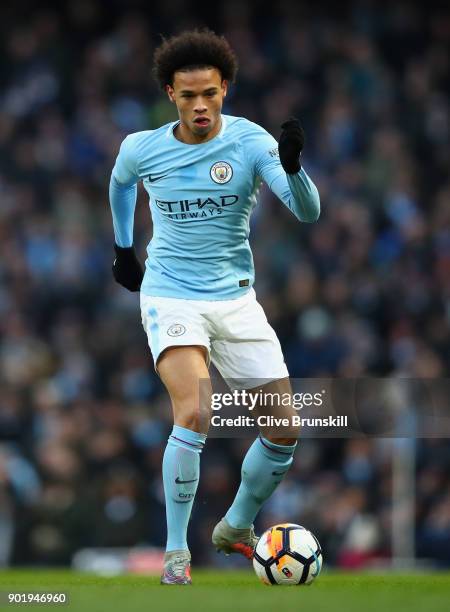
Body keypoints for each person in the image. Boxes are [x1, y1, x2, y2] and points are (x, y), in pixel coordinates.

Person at [109, 28, 320, 585]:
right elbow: (120, 182)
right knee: (196, 409)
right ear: (169, 95)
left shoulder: (250, 143)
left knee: (285, 428)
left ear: (225, 88)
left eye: (210, 93)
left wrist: (295, 170)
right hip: (171, 294)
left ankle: (235, 527)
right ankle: (176, 552)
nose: (200, 105)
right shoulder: (142, 147)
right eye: (187, 96)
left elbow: (308, 213)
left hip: (235, 300)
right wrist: (122, 247)